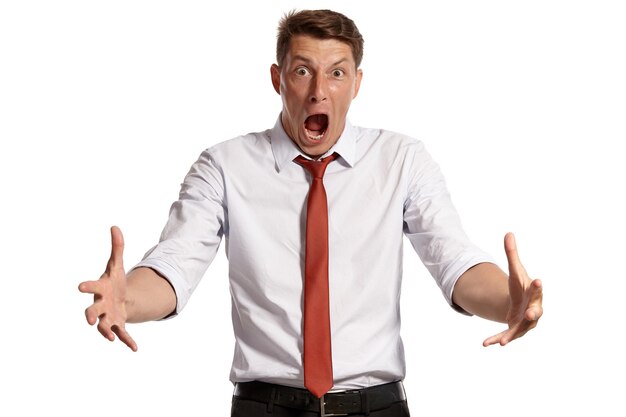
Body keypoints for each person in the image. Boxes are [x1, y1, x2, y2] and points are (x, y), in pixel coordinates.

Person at [79, 9, 543, 417]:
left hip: (376, 408)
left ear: (357, 83)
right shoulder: (224, 166)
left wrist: (508, 303)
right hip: (264, 408)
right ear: (278, 79)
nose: (320, 91)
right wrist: (129, 301)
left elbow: (454, 261)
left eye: (337, 73)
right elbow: (174, 265)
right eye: (303, 72)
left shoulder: (402, 160)